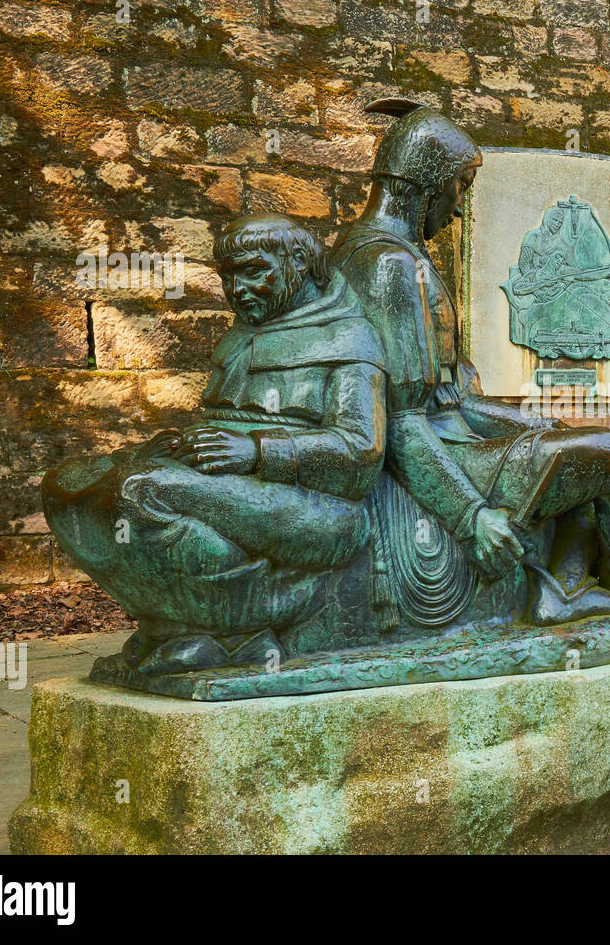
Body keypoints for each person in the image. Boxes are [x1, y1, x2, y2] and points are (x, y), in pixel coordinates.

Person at [330, 100, 610, 624]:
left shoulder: (373, 253)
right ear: (425, 183)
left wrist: (539, 425)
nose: (459, 207)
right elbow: (405, 423)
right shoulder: (387, 264)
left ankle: (597, 581)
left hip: (462, 439)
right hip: (457, 457)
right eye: (459, 187)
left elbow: (452, 400)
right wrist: (472, 517)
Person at [41, 215, 388, 673]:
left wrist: (258, 451)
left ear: (299, 262)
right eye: (228, 277)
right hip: (237, 486)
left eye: (253, 271)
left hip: (320, 511)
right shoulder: (244, 333)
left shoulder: (349, 337)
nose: (237, 289)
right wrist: (179, 445)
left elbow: (362, 452)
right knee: (67, 484)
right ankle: (175, 624)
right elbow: (225, 422)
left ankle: (234, 632)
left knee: (142, 490)